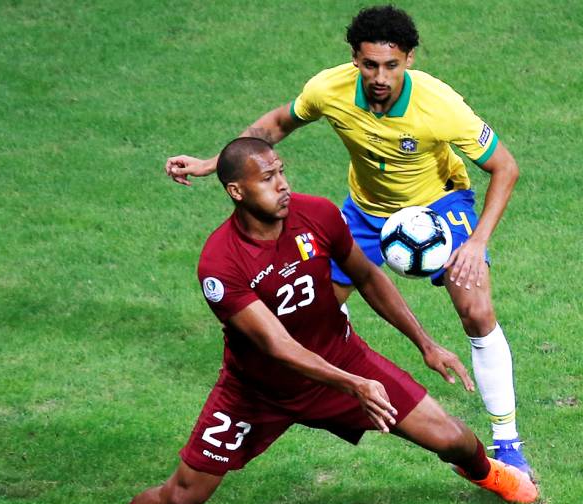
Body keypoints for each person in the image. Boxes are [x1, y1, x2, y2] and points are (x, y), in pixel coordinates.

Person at [59, 138, 537, 504]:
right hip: (257, 394)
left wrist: (425, 343)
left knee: (453, 437)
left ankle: (485, 473)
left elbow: (368, 277)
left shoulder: (318, 214)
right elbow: (278, 347)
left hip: (345, 360)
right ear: (236, 191)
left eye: (281, 172)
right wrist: (354, 385)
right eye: (267, 178)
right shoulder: (220, 264)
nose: (283, 184)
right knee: (182, 496)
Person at [165, 5, 532, 474]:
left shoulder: (440, 106)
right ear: (355, 59)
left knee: (476, 309)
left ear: (410, 59)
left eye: (392, 65)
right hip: (364, 212)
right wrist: (212, 162)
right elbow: (272, 128)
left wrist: (477, 243)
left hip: (437, 208)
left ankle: (506, 440)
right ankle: (300, 397)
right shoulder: (329, 89)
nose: (380, 76)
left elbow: (506, 166)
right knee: (307, 312)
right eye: (370, 64)